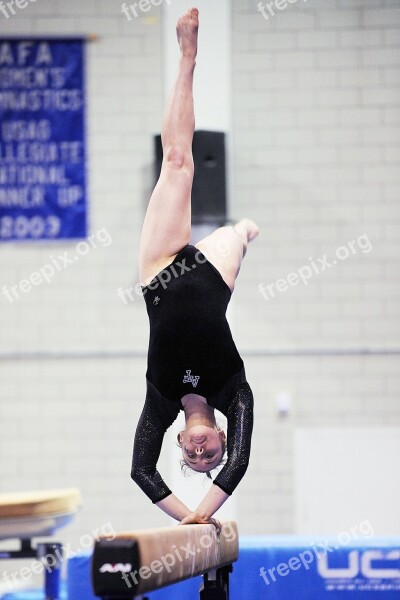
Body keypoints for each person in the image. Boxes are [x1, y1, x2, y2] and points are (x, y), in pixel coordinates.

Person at [131, 7, 259, 530]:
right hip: (211, 278)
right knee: (243, 232)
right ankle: (245, 230)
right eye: (212, 456)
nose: (204, 454)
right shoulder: (235, 393)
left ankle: (187, 56)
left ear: (181, 440)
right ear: (222, 438)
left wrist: (187, 521)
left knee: (178, 162)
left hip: (159, 271)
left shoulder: (159, 404)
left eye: (194, 457)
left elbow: (141, 471)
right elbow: (242, 465)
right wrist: (207, 514)